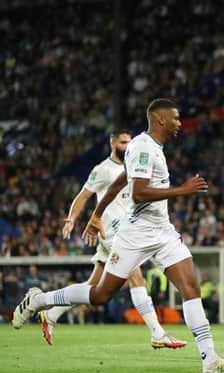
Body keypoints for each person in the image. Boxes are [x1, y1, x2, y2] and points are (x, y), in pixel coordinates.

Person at [13, 98, 224, 373]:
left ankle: (210, 360)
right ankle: (40, 301)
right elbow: (138, 193)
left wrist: (96, 214)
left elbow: (120, 182)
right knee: (99, 294)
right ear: (160, 120)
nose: (180, 124)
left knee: (190, 287)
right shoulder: (144, 147)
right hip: (135, 234)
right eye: (176, 119)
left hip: (163, 231)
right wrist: (182, 190)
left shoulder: (147, 147)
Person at [39, 129, 186, 349]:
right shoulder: (102, 170)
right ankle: (157, 332)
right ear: (112, 143)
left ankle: (51, 312)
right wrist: (71, 218)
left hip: (129, 230)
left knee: (93, 286)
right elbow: (83, 196)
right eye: (123, 142)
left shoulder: (135, 168)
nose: (127, 146)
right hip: (111, 232)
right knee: (137, 278)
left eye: (129, 142)